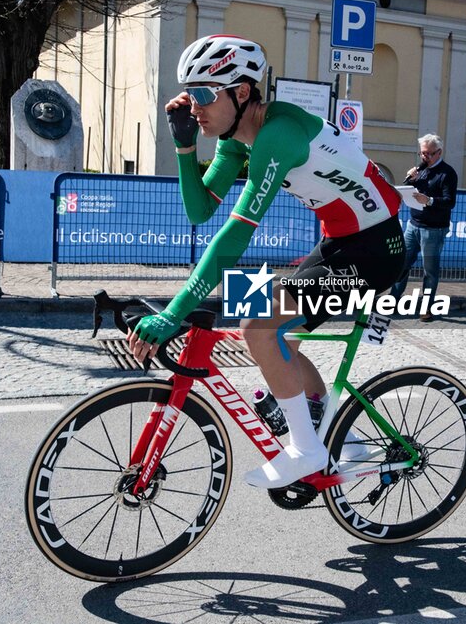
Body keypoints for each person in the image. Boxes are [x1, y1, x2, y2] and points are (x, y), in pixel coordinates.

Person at [126, 35, 405, 488]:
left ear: (241, 92)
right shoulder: (238, 138)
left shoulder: (278, 135)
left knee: (258, 324)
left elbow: (234, 236)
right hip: (341, 243)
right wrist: (184, 148)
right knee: (270, 328)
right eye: (189, 94)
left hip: (376, 252)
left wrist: (174, 314)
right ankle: (344, 439)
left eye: (203, 94)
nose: (194, 107)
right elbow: (200, 210)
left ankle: (305, 449)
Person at [390, 133, 457, 321]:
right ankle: (393, 301)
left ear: (439, 152)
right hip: (413, 225)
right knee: (402, 264)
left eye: (428, 154)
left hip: (433, 229)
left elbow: (449, 201)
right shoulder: (421, 170)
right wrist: (411, 179)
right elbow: (411, 191)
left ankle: (427, 307)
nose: (424, 157)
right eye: (422, 153)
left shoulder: (447, 173)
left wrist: (429, 200)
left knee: (430, 271)